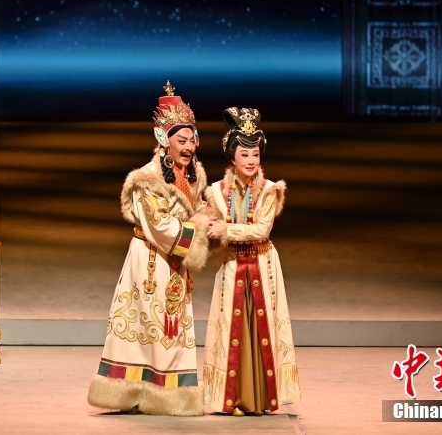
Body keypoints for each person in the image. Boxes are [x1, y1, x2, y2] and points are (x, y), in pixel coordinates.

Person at [87, 81, 225, 416]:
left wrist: (209, 215)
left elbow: (195, 210)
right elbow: (161, 228)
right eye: (182, 140)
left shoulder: (193, 175)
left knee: (170, 326)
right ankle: (131, 392)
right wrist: (200, 226)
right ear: (164, 139)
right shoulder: (147, 180)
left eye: (192, 139)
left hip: (176, 265)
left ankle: (167, 394)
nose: (189, 146)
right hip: (150, 263)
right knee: (144, 325)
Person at [202, 107, 300, 415]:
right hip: (232, 265)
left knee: (260, 327)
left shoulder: (269, 191)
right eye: (244, 154)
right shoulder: (216, 192)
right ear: (232, 157)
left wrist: (226, 230)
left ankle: (260, 397)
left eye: (255, 154)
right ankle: (233, 399)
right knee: (234, 329)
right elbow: (208, 225)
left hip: (262, 263)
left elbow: (261, 230)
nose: (250, 160)